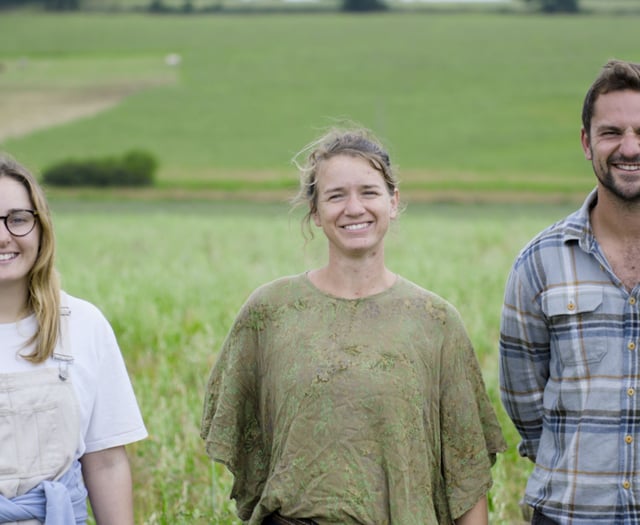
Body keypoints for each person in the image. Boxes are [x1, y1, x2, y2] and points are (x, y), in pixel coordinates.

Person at [201, 127, 506, 525]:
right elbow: (246, 449)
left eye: (369, 192)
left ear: (393, 202)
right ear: (315, 211)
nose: (354, 208)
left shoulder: (435, 321)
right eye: (335, 195)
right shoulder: (269, 312)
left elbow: (466, 476)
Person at [499, 59, 640, 525]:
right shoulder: (539, 262)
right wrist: (572, 463)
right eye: (611, 132)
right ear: (586, 142)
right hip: (570, 514)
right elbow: (522, 395)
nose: (629, 147)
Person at [0, 154, 147, 524]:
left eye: (17, 219)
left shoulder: (83, 325)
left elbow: (107, 462)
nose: (3, 236)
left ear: (41, 227)